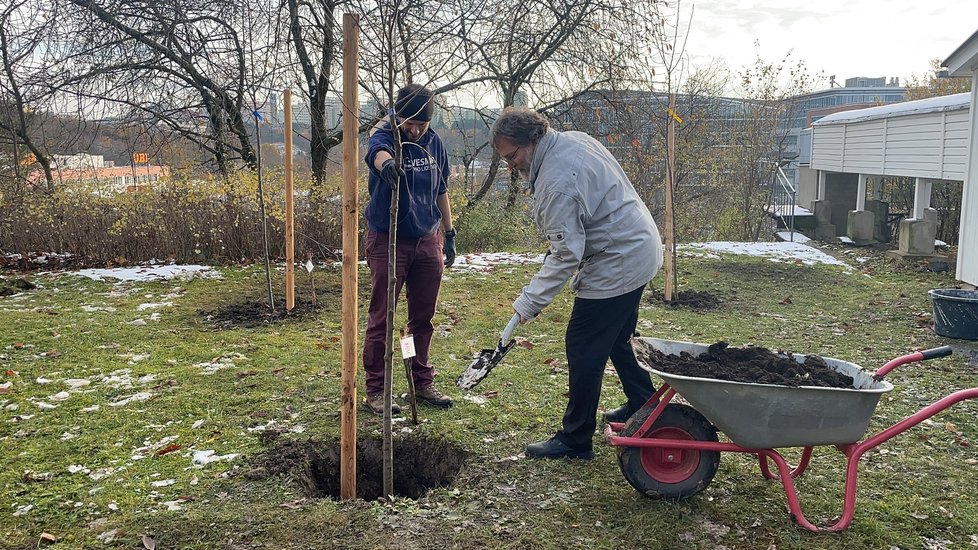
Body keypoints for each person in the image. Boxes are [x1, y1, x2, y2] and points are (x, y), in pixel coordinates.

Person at [489, 107, 663, 459]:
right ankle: (645, 406)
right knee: (617, 337)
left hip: (619, 258)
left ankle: (575, 439)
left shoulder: (556, 181)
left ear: (533, 139)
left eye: (513, 156)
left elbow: (566, 253)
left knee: (583, 344)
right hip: (638, 244)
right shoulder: (572, 140)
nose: (510, 166)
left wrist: (528, 302)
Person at [362, 83, 457, 415]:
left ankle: (420, 380)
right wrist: (387, 165)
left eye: (422, 124)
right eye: (409, 123)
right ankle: (376, 389)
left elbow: (441, 188)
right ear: (397, 116)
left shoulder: (434, 143)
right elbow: (376, 153)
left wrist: (449, 231)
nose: (415, 130)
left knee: (421, 318)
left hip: (427, 239)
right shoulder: (386, 136)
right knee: (382, 317)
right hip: (388, 240)